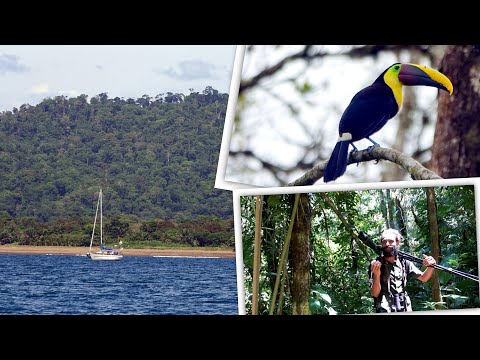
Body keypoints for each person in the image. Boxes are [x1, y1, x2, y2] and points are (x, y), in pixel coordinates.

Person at [368, 228, 436, 313]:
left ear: (397, 242)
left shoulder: (404, 261)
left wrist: (431, 266)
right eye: (384, 241)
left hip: (404, 307)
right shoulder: (376, 264)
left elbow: (423, 278)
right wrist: (376, 275)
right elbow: (375, 293)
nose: (387, 244)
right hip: (385, 309)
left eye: (391, 241)